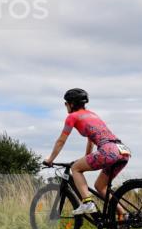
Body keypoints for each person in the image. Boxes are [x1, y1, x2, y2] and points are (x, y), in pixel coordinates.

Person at [43, 88, 131, 216]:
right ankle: (123, 214)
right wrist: (86, 158)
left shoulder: (72, 117)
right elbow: (91, 140)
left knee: (75, 168)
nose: (65, 106)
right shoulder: (93, 115)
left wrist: (50, 159)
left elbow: (61, 141)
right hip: (122, 151)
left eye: (66, 103)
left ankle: (87, 202)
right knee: (100, 187)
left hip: (108, 150)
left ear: (71, 104)